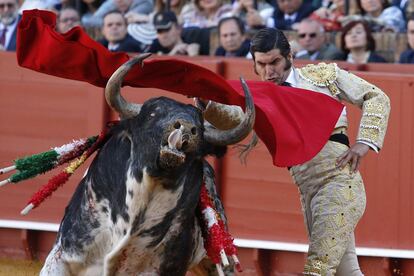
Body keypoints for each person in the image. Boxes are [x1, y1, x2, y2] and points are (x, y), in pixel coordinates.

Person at [201, 27, 390, 275]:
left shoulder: (322, 76)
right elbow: (234, 119)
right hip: (309, 193)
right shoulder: (260, 100)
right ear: (255, 66)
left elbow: (376, 97)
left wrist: (365, 142)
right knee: (347, 271)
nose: (270, 71)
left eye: (276, 62)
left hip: (339, 183)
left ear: (290, 57)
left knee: (318, 269)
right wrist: (208, 104)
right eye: (263, 64)